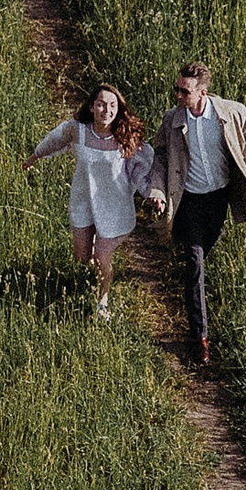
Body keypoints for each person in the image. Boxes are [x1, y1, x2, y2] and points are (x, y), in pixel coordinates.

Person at [142, 60, 246, 364]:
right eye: (176, 88)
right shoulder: (172, 120)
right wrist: (157, 193)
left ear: (203, 92)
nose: (177, 95)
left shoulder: (232, 113)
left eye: (184, 91)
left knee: (204, 252)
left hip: (218, 198)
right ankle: (199, 337)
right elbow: (161, 159)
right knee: (194, 261)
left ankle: (195, 297)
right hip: (187, 200)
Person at [23, 83, 152, 321]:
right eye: (102, 104)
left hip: (114, 205)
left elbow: (140, 170)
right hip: (83, 201)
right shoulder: (78, 130)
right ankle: (90, 279)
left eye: (113, 105)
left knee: (102, 255)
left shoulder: (126, 137)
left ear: (119, 109)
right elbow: (55, 139)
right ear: (92, 107)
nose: (107, 110)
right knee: (83, 258)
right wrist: (35, 156)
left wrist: (151, 193)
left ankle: (102, 301)